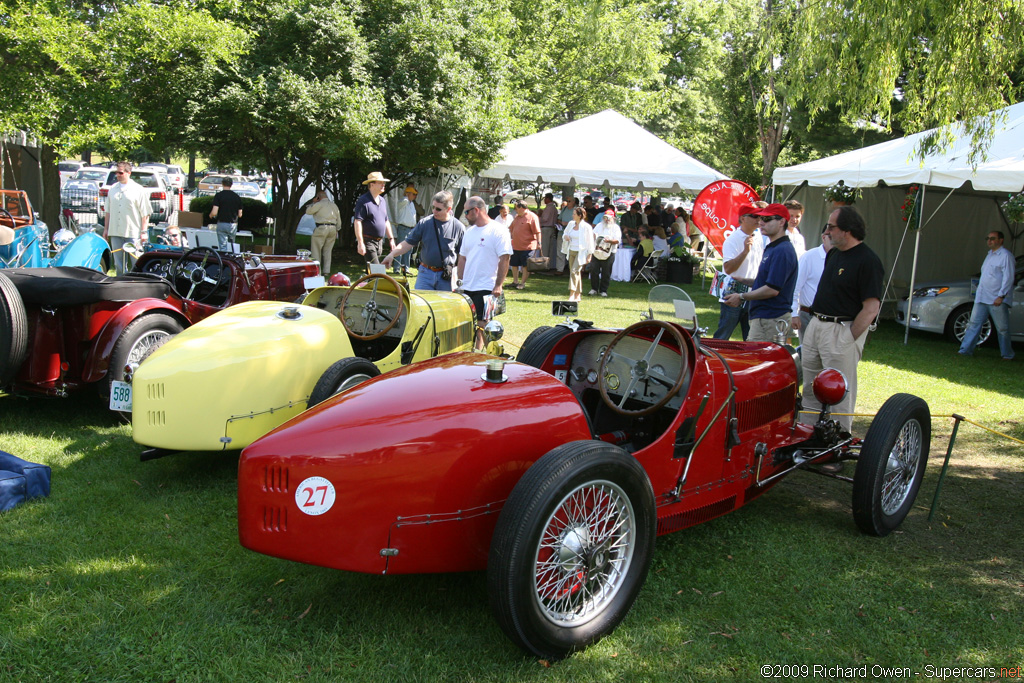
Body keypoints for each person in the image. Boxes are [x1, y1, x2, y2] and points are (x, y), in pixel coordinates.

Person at [800, 206, 884, 456]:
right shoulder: (834, 254)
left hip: (841, 330)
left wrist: (848, 338)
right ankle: (808, 440)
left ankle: (836, 447)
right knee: (811, 387)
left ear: (847, 231)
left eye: (831, 227)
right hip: (816, 325)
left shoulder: (868, 261)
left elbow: (871, 308)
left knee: (839, 392)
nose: (826, 231)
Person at [724, 204, 798, 342]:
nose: (761, 222)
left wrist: (741, 296)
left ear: (782, 222)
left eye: (767, 219)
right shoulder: (773, 247)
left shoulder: (782, 250)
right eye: (760, 218)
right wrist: (746, 280)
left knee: (760, 361)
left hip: (771, 318)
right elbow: (770, 282)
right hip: (764, 317)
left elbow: (772, 289)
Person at [457, 196, 512, 349]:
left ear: (476, 210)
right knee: (470, 325)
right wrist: (460, 282)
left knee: (483, 325)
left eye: (467, 212)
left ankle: (491, 357)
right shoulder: (469, 232)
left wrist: (498, 285)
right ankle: (475, 354)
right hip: (467, 286)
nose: (465, 216)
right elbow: (462, 258)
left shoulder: (498, 230)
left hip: (486, 286)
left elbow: (505, 258)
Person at [383, 190, 464, 291]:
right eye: (433, 207)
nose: (434, 211)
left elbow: (463, 255)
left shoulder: (458, 227)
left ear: (448, 209)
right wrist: (392, 255)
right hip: (425, 274)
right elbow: (408, 243)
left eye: (438, 209)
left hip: (446, 276)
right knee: (421, 305)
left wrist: (460, 277)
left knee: (442, 306)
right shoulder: (425, 223)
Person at [959, 230, 1015, 360]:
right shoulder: (989, 254)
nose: (989, 241)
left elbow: (1009, 278)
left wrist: (1001, 295)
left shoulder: (1006, 256)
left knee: (1002, 329)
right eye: (988, 238)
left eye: (993, 238)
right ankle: (965, 350)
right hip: (982, 297)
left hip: (996, 298)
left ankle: (1007, 354)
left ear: (1001, 240)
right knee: (973, 324)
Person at [712, 203, 766, 340]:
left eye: (759, 216)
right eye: (754, 216)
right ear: (742, 218)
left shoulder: (758, 237)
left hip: (752, 293)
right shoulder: (732, 240)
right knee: (723, 334)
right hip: (733, 292)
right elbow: (728, 268)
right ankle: (713, 358)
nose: (758, 219)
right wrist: (745, 251)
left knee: (751, 337)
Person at [102, 162, 151, 274]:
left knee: (136, 262)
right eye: (116, 173)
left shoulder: (138, 190)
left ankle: (137, 283)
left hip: (133, 233)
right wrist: (106, 229)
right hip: (115, 232)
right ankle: (120, 284)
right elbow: (108, 211)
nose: (118, 175)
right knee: (118, 264)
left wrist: (144, 232)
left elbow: (145, 213)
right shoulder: (112, 189)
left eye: (121, 173)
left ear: (129, 173)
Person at [790, 224, 832, 342]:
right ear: (824, 237)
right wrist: (794, 314)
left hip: (831, 317)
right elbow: (795, 287)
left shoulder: (842, 258)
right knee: (807, 354)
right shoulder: (809, 257)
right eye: (831, 237)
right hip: (808, 314)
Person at [353, 171, 396, 266]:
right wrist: (360, 243)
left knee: (373, 271)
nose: (383, 185)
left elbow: (386, 221)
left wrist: (391, 239)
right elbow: (357, 221)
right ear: (372, 184)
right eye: (380, 183)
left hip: (380, 242)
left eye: (383, 183)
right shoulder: (363, 201)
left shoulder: (382, 200)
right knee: (376, 270)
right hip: (368, 241)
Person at [561, 206, 594, 302]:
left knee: (574, 272)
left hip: (581, 253)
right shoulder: (571, 224)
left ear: (580, 216)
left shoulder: (586, 227)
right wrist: (566, 236)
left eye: (574, 214)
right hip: (571, 251)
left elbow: (590, 242)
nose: (572, 215)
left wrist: (590, 254)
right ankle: (578, 295)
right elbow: (565, 233)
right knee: (576, 273)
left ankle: (572, 293)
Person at [508, 200, 541, 290]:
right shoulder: (517, 217)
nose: (515, 210)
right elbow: (511, 228)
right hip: (516, 245)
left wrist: (539, 243)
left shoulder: (532, 217)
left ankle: (522, 283)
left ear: (522, 208)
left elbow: (537, 231)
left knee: (525, 266)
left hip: (528, 246)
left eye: (516, 208)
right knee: (514, 264)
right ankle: (515, 281)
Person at [589, 209, 621, 297]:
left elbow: (617, 240)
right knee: (594, 270)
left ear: (613, 218)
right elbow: (593, 234)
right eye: (605, 218)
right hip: (597, 251)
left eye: (609, 218)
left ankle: (603, 290)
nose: (607, 220)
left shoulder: (616, 228)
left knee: (606, 272)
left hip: (609, 253)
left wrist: (609, 240)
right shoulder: (599, 225)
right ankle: (594, 289)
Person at [210, 176, 243, 251]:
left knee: (223, 247)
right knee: (231, 246)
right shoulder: (236, 197)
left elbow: (214, 212)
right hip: (233, 225)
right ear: (231, 184)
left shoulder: (219, 196)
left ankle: (223, 261)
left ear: (222, 184)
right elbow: (240, 214)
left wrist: (211, 215)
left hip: (222, 223)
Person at [393, 184, 420, 272]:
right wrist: (407, 195)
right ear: (408, 194)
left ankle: (406, 268)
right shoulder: (403, 201)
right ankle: (396, 268)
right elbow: (405, 199)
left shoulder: (412, 203)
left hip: (411, 228)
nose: (415, 196)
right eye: (413, 194)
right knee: (400, 248)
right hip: (403, 228)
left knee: (408, 249)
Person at [553, 197, 576, 275]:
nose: (568, 202)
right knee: (560, 251)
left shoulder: (576, 210)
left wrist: (568, 223)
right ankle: (560, 269)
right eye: (567, 201)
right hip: (562, 233)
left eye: (569, 201)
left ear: (573, 202)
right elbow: (558, 219)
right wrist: (561, 222)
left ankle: (572, 269)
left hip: (572, 235)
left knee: (572, 252)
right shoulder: (565, 209)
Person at [538, 192, 559, 272]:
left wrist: (538, 217)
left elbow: (545, 219)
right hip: (552, 228)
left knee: (545, 248)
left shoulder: (548, 208)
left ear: (548, 199)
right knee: (550, 248)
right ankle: (549, 265)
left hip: (546, 228)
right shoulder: (554, 208)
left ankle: (544, 266)